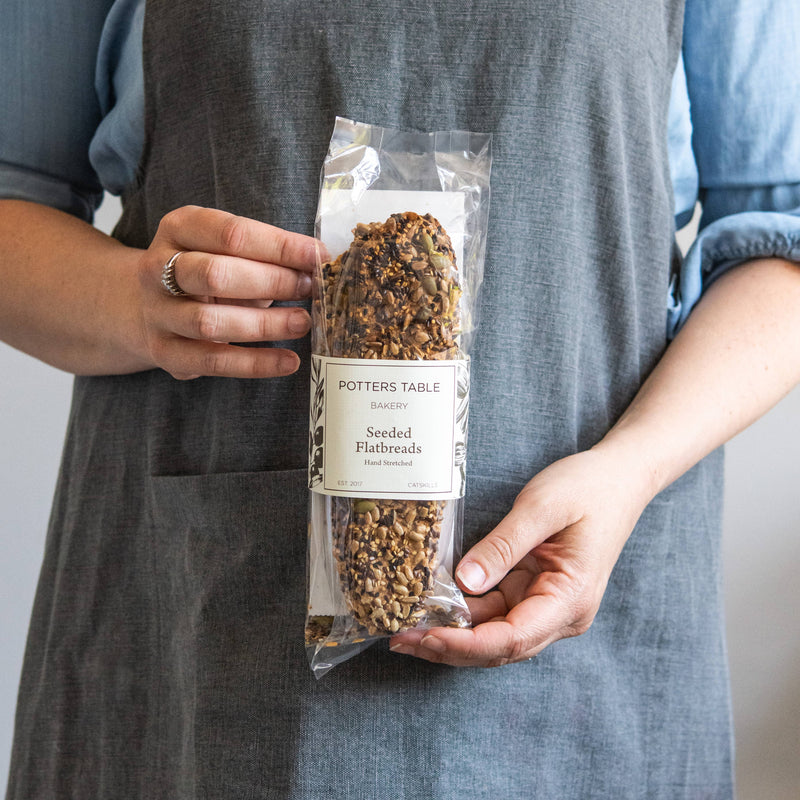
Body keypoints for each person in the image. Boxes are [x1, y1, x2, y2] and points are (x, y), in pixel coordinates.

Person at [2, 0, 799, 797]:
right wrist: (137, 301)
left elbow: (781, 234)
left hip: (583, 590)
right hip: (206, 621)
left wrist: (631, 468)